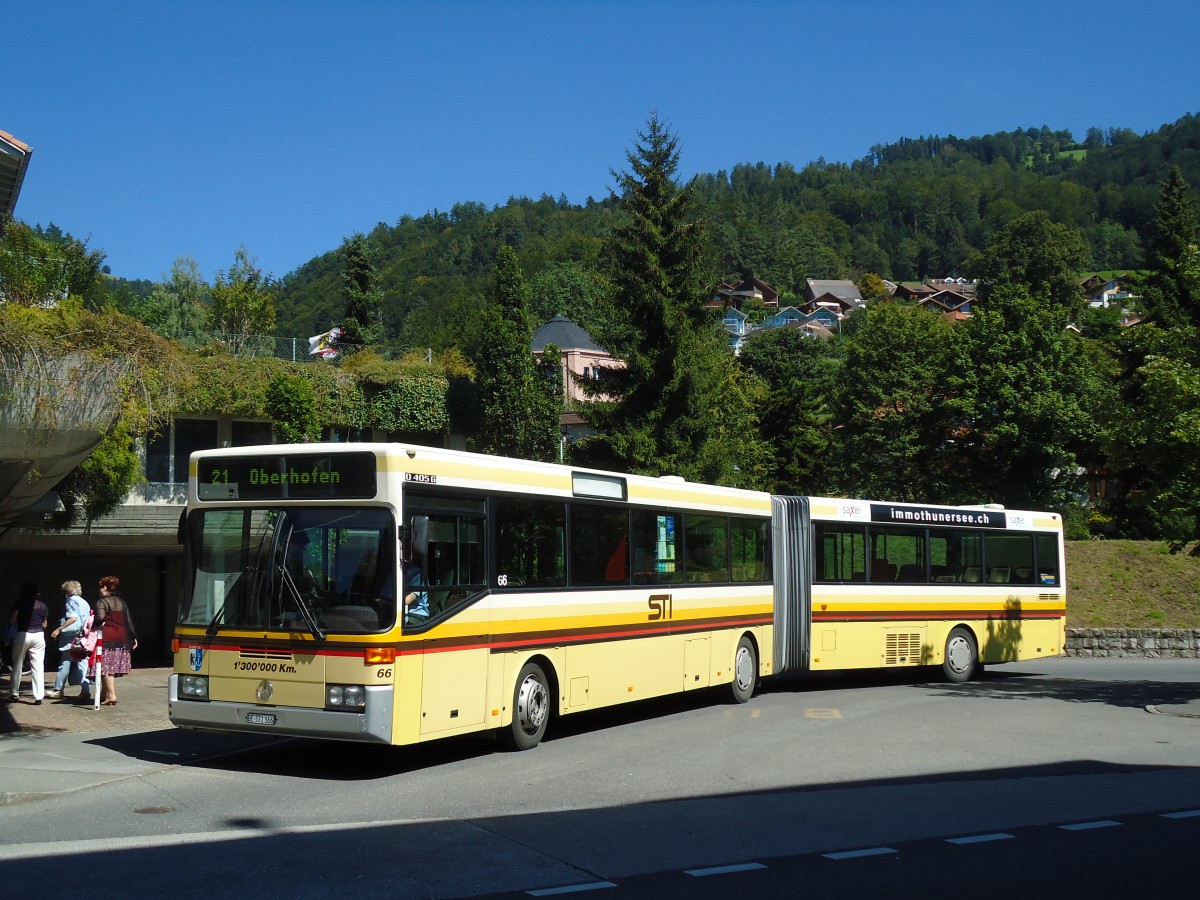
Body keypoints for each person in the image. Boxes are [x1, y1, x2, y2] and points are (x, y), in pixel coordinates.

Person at [93, 575, 138, 706]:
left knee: (106, 667)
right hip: (122, 637)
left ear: (105, 588)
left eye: (101, 587)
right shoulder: (122, 602)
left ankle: (111, 696)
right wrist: (134, 637)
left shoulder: (102, 602)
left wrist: (93, 623)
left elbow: (100, 617)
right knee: (110, 667)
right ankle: (103, 693)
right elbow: (129, 622)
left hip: (107, 636)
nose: (99, 590)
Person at [47, 580, 92, 700]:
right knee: (82, 663)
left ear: (67, 591)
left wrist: (59, 629)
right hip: (83, 636)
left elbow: (73, 617)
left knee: (65, 662)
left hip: (71, 637)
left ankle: (58, 689)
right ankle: (85, 690)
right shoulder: (84, 602)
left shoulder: (70, 601)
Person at [7, 583, 48, 704]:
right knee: (38, 666)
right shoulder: (43, 606)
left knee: (17, 664)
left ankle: (14, 694)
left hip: (23, 634)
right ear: (36, 593)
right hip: (39, 635)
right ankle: (39, 696)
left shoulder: (19, 603)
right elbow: (45, 624)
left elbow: (12, 620)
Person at [401, 540, 428, 624]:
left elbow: (406, 600)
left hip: (416, 615)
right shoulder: (395, 573)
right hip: (400, 613)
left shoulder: (419, 575)